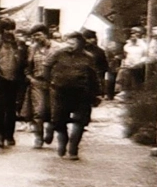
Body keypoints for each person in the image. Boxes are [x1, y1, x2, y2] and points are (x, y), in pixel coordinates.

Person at [45, 31, 102, 160]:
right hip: (61, 92)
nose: (70, 45)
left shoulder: (88, 57)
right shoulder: (59, 53)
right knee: (59, 121)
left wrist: (98, 93)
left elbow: (94, 76)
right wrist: (50, 81)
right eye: (68, 42)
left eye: (73, 42)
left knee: (80, 122)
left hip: (82, 92)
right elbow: (47, 66)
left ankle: (73, 148)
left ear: (81, 43)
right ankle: (62, 141)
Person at [0, 20, 28, 148]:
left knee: (12, 108)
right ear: (2, 30)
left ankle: (9, 135)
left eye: (12, 29)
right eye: (7, 29)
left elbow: (24, 61)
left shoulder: (20, 44)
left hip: (15, 78)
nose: (9, 32)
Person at [24, 26, 55, 147]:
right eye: (34, 36)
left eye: (38, 35)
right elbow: (27, 67)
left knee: (53, 111)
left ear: (46, 34)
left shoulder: (57, 48)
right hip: (37, 82)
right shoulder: (32, 49)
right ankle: (38, 137)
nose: (36, 38)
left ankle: (50, 130)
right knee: (38, 111)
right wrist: (31, 79)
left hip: (54, 83)